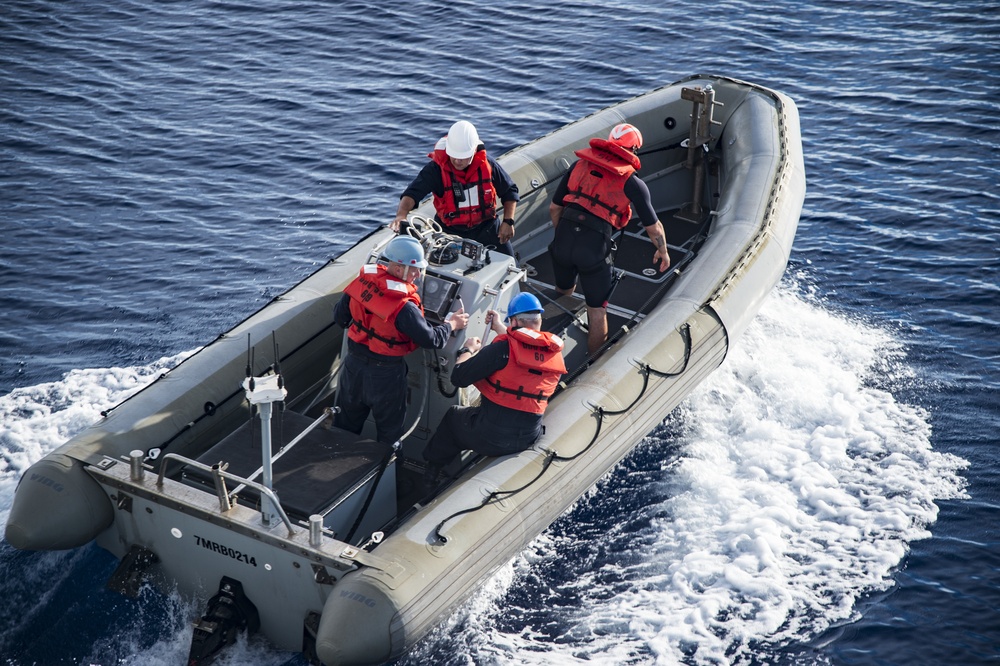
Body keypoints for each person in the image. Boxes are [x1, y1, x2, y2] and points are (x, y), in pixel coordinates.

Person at [421, 292, 566, 492]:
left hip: (491, 436)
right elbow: (521, 348)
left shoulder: (500, 350)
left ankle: (431, 475)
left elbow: (459, 377)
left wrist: (468, 350)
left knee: (454, 416)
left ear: (514, 321)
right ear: (539, 321)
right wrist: (499, 327)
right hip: (526, 437)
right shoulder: (554, 353)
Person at [332, 235, 469, 445]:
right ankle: (388, 474)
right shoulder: (405, 307)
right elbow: (431, 339)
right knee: (390, 433)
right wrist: (453, 324)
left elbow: (340, 318)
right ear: (398, 269)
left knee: (345, 425)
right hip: (385, 376)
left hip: (353, 368)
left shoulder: (360, 283)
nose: (417, 275)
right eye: (414, 269)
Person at [548, 123, 671, 355]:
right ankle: (592, 363)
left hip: (563, 240)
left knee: (562, 293)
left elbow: (555, 208)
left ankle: (549, 347)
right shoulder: (633, 182)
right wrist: (663, 251)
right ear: (633, 150)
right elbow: (654, 228)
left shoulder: (578, 165)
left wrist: (561, 237)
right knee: (597, 310)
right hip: (593, 249)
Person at [391, 120, 520, 257]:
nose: (458, 161)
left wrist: (508, 221)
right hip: (449, 232)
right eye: (455, 156)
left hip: (487, 228)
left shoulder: (488, 165)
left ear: (473, 151)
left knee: (509, 264)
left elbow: (509, 192)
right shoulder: (435, 170)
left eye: (463, 157)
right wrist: (401, 215)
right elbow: (412, 193)